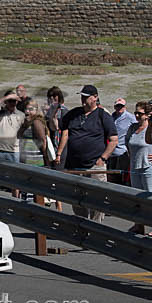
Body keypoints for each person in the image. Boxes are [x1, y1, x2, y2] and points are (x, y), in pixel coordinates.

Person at [54, 84, 118, 223]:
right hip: (75, 165)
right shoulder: (74, 113)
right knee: (76, 199)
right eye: (82, 96)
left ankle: (95, 227)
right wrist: (59, 153)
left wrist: (103, 158)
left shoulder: (103, 115)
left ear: (95, 97)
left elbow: (114, 140)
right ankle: (82, 226)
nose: (83, 100)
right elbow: (63, 131)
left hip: (95, 166)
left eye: (86, 97)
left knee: (97, 199)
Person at [126, 102, 152, 235]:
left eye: (140, 113)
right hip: (135, 166)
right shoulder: (132, 128)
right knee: (137, 198)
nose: (136, 115)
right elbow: (127, 143)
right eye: (135, 113)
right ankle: (138, 224)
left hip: (149, 166)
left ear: (147, 115)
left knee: (151, 196)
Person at [0, 90, 25, 164]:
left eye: (14, 101)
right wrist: (8, 96)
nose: (12, 103)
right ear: (5, 102)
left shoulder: (21, 115)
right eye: (9, 101)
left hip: (14, 151)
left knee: (14, 174)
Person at [108, 97, 137, 184]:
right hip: (112, 152)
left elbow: (139, 126)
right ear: (114, 107)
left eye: (121, 106)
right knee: (111, 175)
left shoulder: (130, 117)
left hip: (123, 151)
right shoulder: (111, 117)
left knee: (122, 175)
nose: (119, 108)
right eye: (117, 106)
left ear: (125, 107)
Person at [18, 99, 53, 168]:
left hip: (35, 161)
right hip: (26, 161)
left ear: (36, 110)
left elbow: (43, 141)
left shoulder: (36, 122)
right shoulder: (27, 122)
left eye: (30, 109)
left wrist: (46, 160)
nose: (27, 111)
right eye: (26, 109)